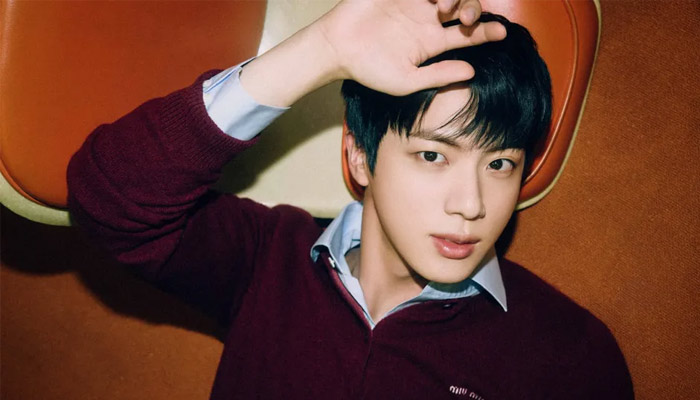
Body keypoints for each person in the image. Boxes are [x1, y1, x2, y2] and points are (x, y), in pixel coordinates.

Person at [67, 0, 634, 398]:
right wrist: (322, 50)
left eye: (500, 164)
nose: (471, 205)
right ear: (360, 156)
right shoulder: (267, 259)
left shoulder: (570, 357)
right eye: (432, 155)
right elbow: (106, 198)